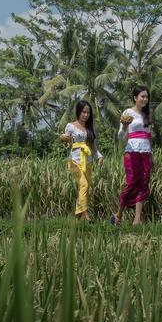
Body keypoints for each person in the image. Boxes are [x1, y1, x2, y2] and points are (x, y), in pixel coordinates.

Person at [112, 86, 152, 226]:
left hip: (146, 152)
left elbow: (149, 136)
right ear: (135, 98)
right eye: (142, 96)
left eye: (146, 97)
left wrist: (152, 155)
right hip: (132, 151)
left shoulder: (147, 115)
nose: (145, 99)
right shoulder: (128, 112)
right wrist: (123, 127)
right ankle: (118, 214)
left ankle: (137, 219)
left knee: (144, 183)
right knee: (132, 182)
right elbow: (120, 136)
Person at [59, 100, 103, 220]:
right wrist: (63, 139)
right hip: (74, 160)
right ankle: (87, 216)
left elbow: (93, 146)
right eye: (83, 112)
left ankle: (76, 217)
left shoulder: (90, 128)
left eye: (88, 113)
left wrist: (99, 156)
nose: (86, 115)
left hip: (87, 161)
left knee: (85, 187)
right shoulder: (71, 126)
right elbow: (65, 141)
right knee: (83, 185)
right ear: (78, 112)